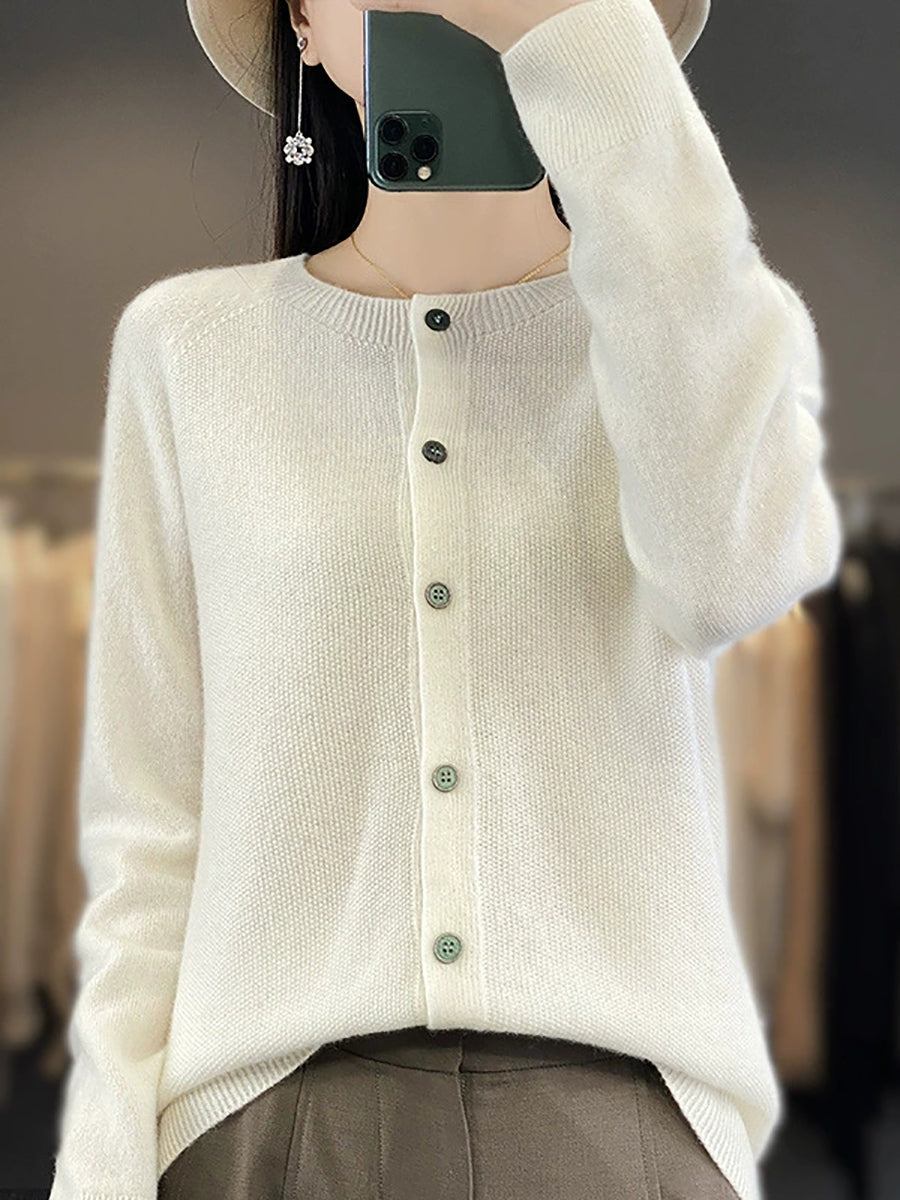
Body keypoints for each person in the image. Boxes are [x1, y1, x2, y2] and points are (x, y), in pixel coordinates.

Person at [48, 1, 844, 1198]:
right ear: (302, 25)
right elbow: (150, 820)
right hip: (267, 1124)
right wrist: (103, 1166)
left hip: (622, 1122)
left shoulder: (704, 336)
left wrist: (591, 71)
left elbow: (729, 577)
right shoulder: (189, 349)